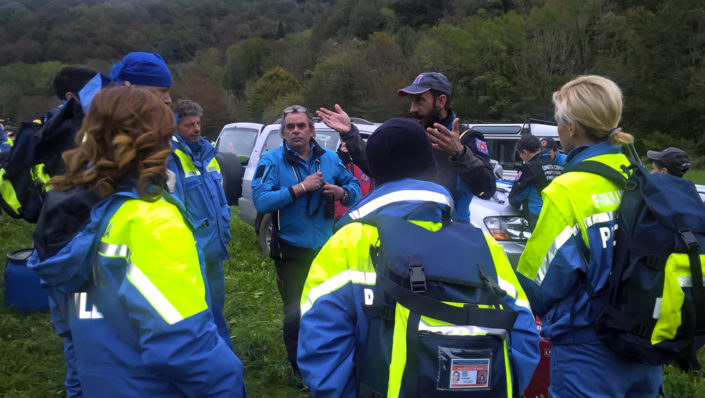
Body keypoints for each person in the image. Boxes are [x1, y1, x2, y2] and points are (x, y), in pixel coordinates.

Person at [28, 86, 246, 397]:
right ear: (154, 142)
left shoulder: (71, 218)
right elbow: (186, 348)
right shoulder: (151, 223)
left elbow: (71, 329)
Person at [297, 118, 539, 397]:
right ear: (431, 168)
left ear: (375, 176)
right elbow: (524, 332)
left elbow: (321, 346)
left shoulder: (346, 243)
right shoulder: (483, 244)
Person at [517, 75, 663, 397]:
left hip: (588, 351)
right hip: (645, 345)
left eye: (558, 122)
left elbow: (538, 285)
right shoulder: (638, 177)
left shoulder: (568, 191)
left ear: (571, 128)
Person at [251, 105, 361, 376]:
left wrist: (342, 192)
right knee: (295, 314)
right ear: (283, 133)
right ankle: (300, 371)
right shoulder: (271, 161)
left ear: (312, 131)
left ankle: (329, 362)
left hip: (325, 251)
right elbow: (261, 200)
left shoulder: (331, 160)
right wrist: (300, 188)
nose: (296, 131)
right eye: (290, 127)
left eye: (302, 126)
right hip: (290, 251)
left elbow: (356, 188)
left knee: (329, 309)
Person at [316, 72, 496, 223]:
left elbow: (487, 189)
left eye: (419, 101)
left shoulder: (467, 138)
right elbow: (378, 168)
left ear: (440, 101)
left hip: (452, 234)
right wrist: (349, 133)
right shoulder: (414, 135)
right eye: (411, 101)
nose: (412, 109)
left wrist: (460, 154)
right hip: (407, 232)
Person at [168, 99, 233, 347]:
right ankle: (209, 351)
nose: (196, 129)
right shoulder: (172, 160)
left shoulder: (208, 154)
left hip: (215, 247)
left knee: (217, 302)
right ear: (175, 127)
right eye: (189, 125)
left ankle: (216, 345)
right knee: (199, 308)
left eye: (197, 123)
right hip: (193, 250)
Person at [508, 134, 563, 229]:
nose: (521, 157)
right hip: (557, 215)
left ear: (524, 152)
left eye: (520, 154)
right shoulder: (558, 165)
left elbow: (516, 198)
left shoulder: (529, 168)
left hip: (537, 216)